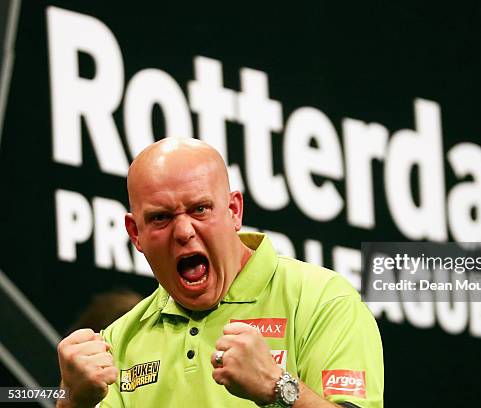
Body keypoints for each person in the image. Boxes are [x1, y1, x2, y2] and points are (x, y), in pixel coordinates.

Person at [56, 138, 383, 407]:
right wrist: (71, 402)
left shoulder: (323, 299)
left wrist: (277, 385)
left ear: (234, 211)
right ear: (135, 233)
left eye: (199, 209)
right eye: (161, 218)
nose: (183, 231)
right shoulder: (120, 341)